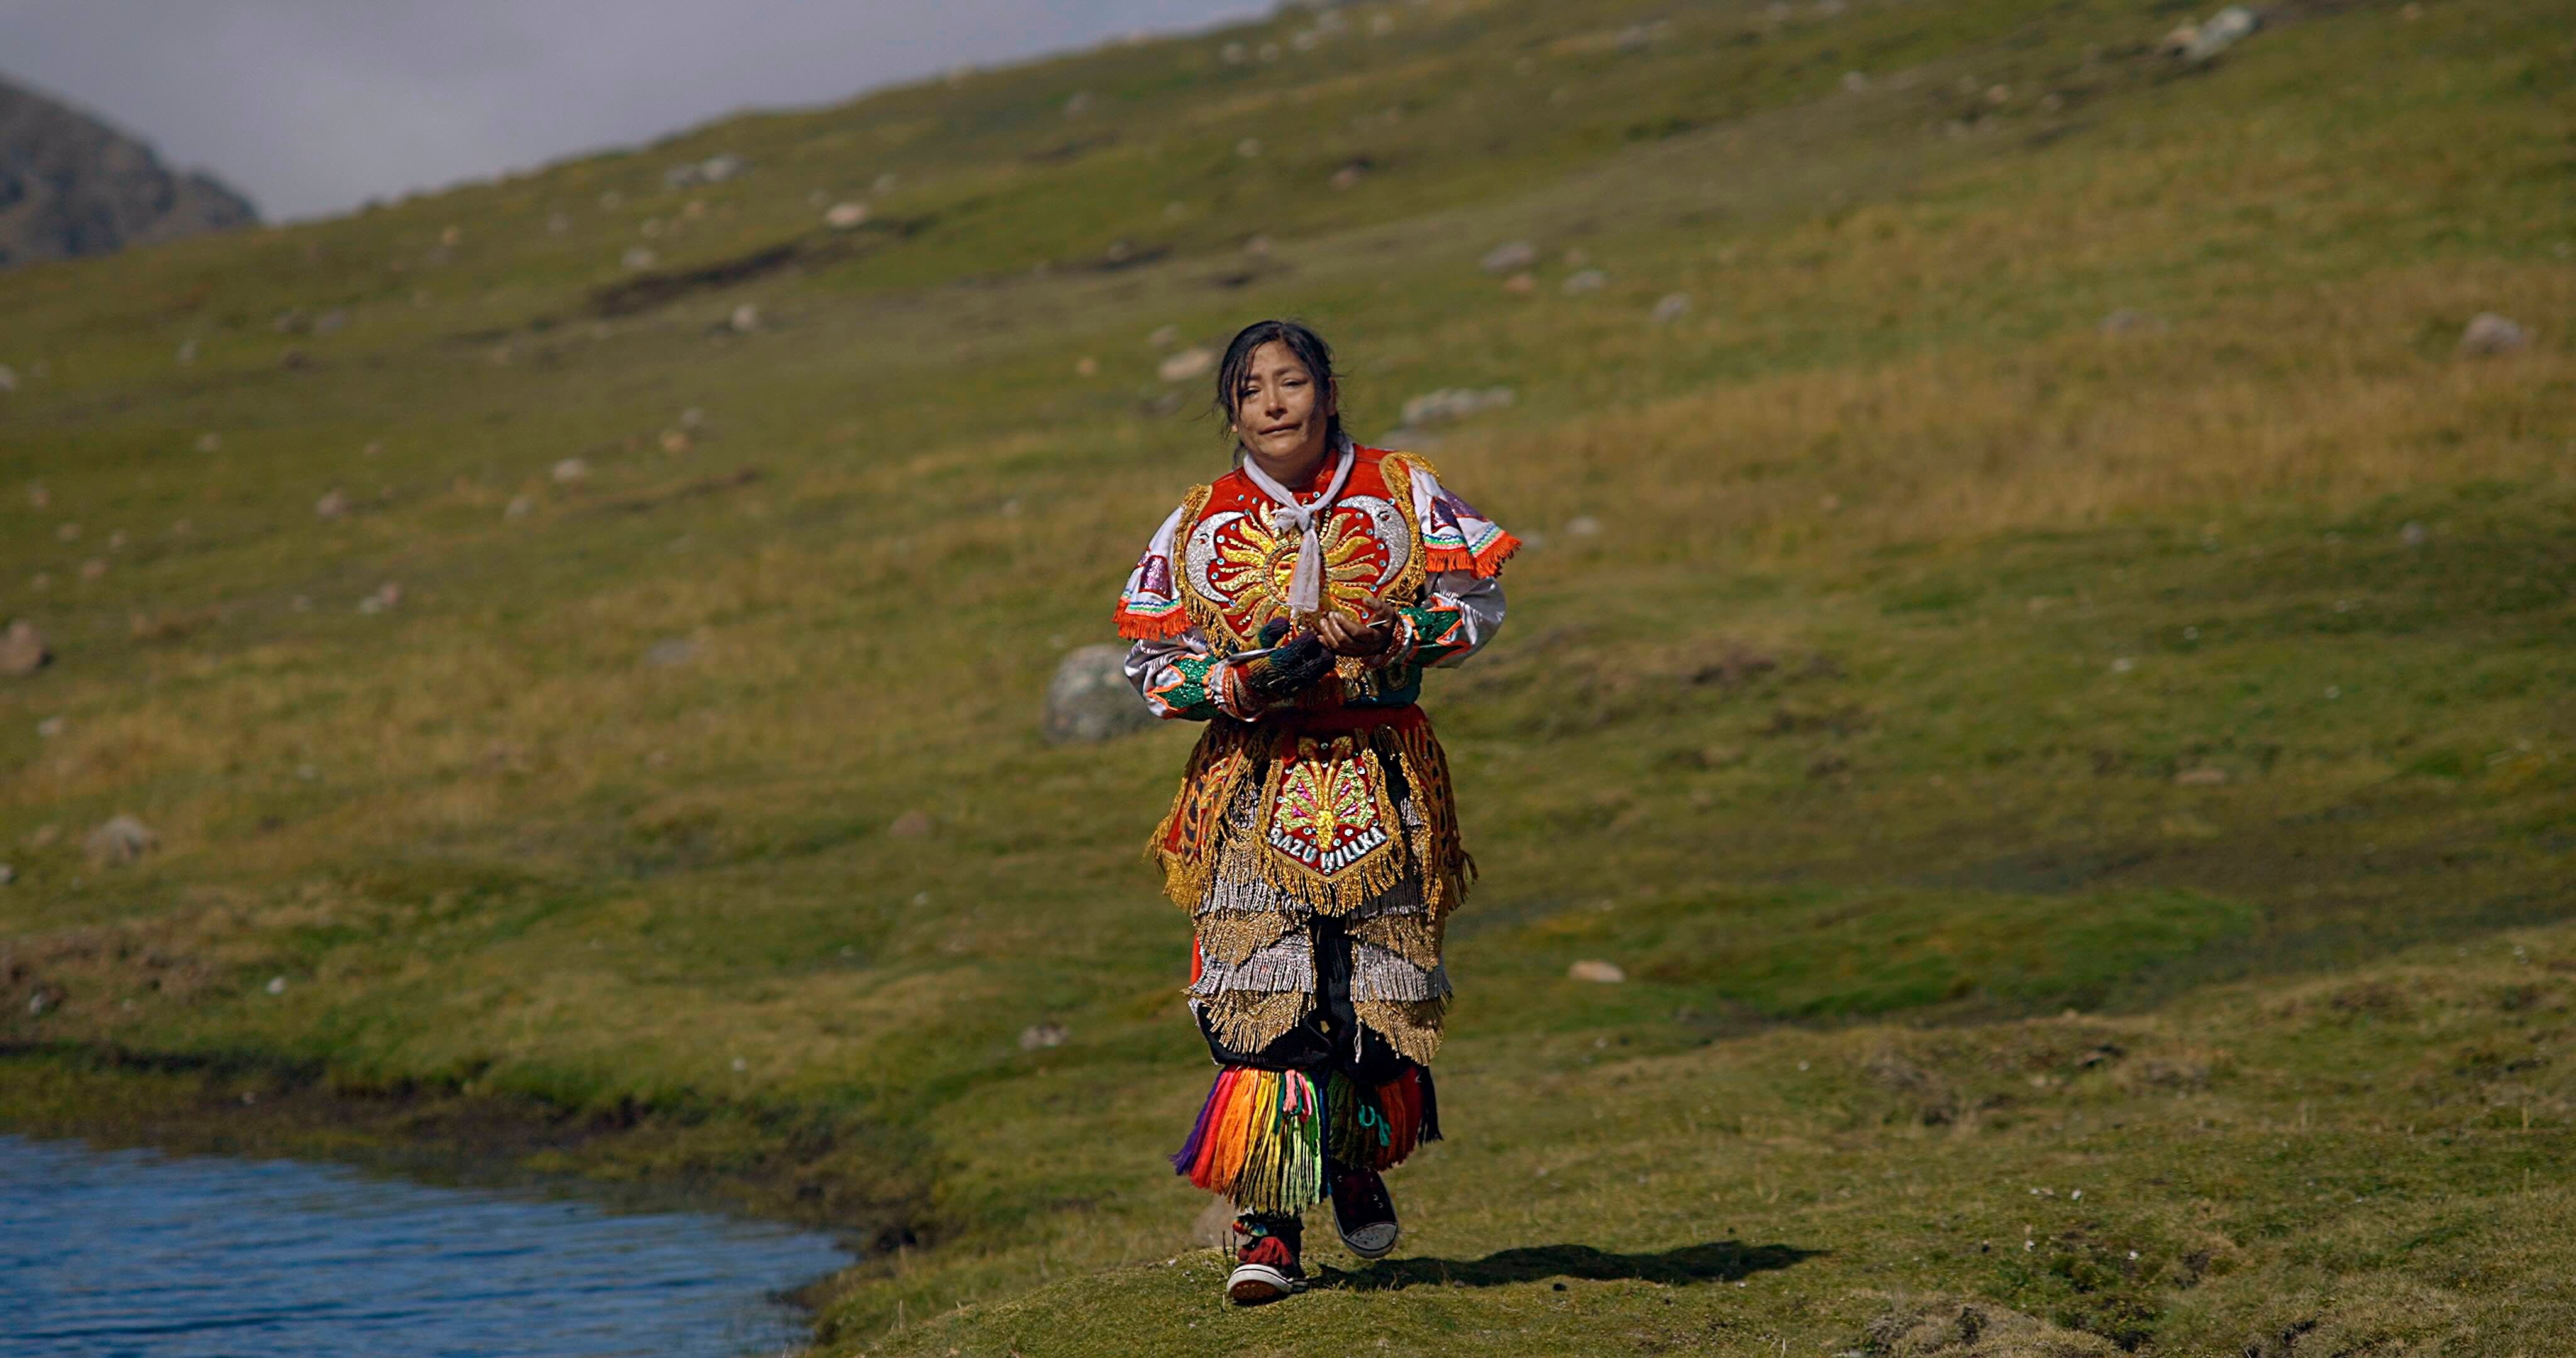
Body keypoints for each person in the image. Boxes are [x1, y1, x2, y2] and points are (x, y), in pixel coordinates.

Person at [1116, 319, 1518, 1304]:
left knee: (1377, 1003)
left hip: (1382, 775)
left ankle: (1351, 1157)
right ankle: (1268, 1236)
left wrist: (1396, 632)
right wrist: (1238, 683)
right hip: (1255, 785)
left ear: (1328, 393)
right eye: (1250, 391)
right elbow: (1153, 664)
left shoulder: (1400, 488)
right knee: (1261, 1004)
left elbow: (1479, 603)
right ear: (1233, 414)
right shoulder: (1199, 519)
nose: (1273, 403)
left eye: (1290, 382)